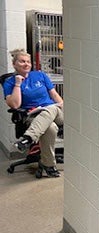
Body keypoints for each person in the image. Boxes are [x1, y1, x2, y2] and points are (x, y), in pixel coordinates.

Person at [2, 48, 64, 177]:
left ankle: (28, 138)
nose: (26, 64)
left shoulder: (40, 75)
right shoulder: (10, 82)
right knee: (50, 128)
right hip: (33, 116)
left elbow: (54, 95)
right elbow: (15, 105)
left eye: (28, 62)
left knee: (51, 108)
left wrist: (61, 105)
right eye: (22, 61)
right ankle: (49, 165)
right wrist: (18, 84)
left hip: (56, 112)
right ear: (14, 64)